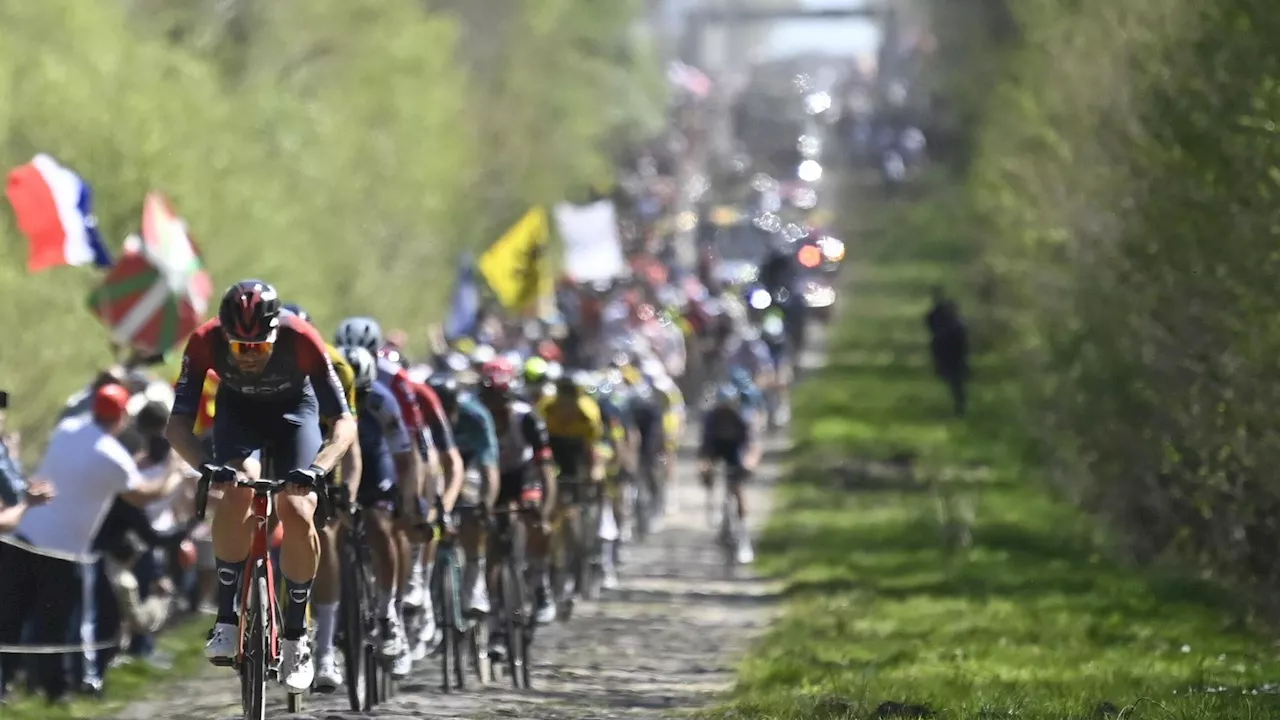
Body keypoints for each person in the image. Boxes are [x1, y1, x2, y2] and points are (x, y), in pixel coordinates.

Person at [166, 280, 357, 692]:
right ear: (224, 339)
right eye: (239, 349)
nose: (249, 357)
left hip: (295, 413)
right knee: (235, 490)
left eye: (258, 348)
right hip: (238, 413)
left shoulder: (302, 339)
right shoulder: (203, 342)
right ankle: (227, 618)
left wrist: (319, 469)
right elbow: (177, 426)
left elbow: (343, 422)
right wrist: (206, 466)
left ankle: (295, 636)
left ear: (275, 336)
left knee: (298, 507)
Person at [0, 384, 180, 702]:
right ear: (122, 416)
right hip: (64, 551)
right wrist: (174, 471)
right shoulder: (113, 457)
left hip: (25, 534)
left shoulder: (68, 429)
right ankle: (55, 692)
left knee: (11, 619)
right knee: (55, 624)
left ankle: (7, 686)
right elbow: (145, 494)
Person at [476, 358, 559, 633]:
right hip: (490, 477)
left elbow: (546, 469)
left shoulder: (527, 418)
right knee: (489, 542)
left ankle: (539, 581)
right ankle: (495, 607)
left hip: (522, 475)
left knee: (534, 516)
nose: (497, 409)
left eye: (502, 401)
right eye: (491, 401)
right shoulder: (475, 416)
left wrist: (545, 515)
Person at [426, 374, 500, 618]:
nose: (443, 417)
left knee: (472, 512)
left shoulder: (476, 416)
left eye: (448, 410)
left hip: (469, 467)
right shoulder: (423, 416)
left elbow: (489, 467)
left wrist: (485, 503)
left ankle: (474, 585)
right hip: (436, 467)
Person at [698, 383, 761, 564]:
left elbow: (754, 446)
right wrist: (705, 466)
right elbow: (705, 446)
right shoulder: (712, 418)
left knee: (738, 488)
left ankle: (744, 539)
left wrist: (750, 463)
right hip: (718, 448)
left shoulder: (744, 418)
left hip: (737, 451)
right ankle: (711, 504)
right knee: (707, 471)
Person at [924, 286, 970, 416]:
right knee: (957, 379)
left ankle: (960, 404)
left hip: (945, 348)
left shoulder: (934, 317)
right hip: (955, 349)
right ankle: (960, 403)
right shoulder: (958, 322)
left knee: (953, 378)